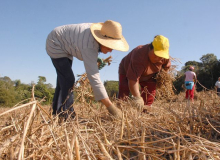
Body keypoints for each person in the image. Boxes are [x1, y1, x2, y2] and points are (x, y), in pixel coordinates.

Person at [46, 20, 129, 119]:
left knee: (63, 80)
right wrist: (110, 107)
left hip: (64, 41)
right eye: (110, 46)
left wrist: (94, 58)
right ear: (101, 40)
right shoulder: (89, 45)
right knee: (68, 79)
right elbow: (94, 77)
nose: (111, 50)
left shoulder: (99, 34)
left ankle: (57, 113)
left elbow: (86, 47)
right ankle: (67, 115)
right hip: (55, 43)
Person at [118, 35, 171, 113]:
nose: (157, 59)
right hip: (127, 71)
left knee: (150, 92)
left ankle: (145, 111)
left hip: (149, 75)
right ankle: (121, 112)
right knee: (124, 92)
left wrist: (160, 77)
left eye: (160, 56)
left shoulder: (165, 58)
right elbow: (133, 79)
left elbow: (165, 69)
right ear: (150, 48)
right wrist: (137, 98)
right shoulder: (139, 54)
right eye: (156, 55)